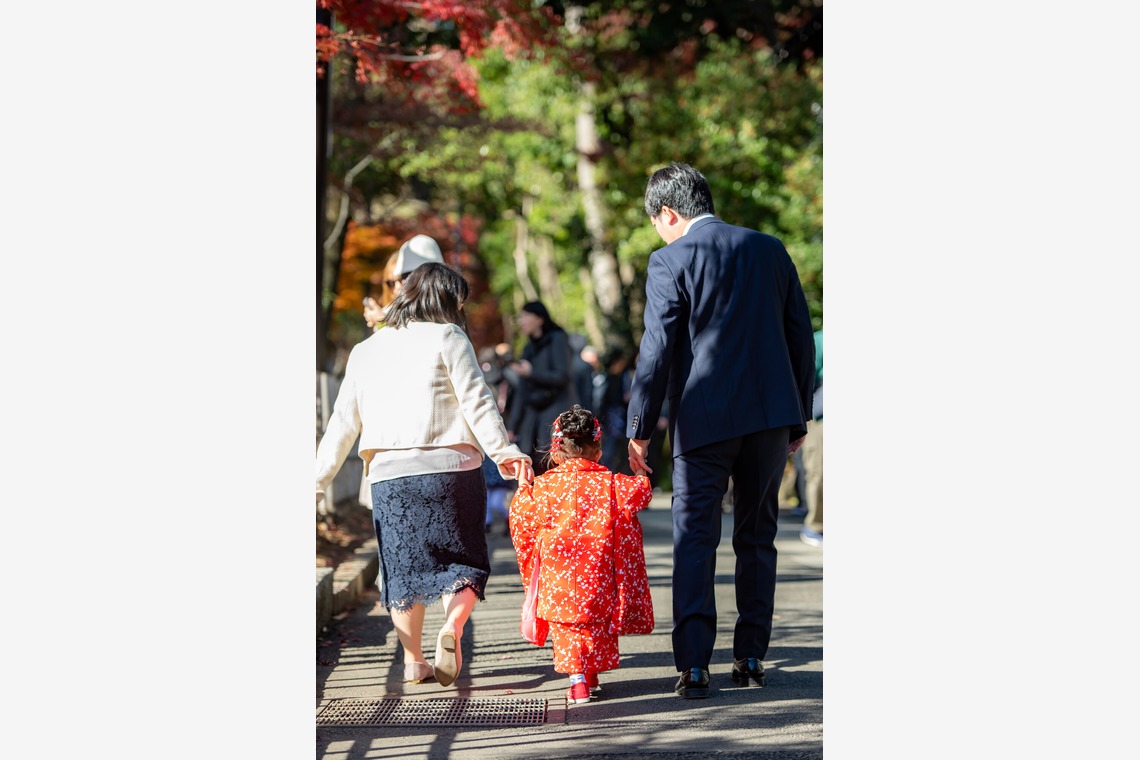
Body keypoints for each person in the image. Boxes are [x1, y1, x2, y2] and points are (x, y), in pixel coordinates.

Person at [625, 162, 815, 699]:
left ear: (669, 212)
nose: (658, 232)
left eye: (656, 221)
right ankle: (752, 655)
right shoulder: (769, 248)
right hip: (769, 418)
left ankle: (694, 665)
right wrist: (795, 416)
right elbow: (798, 335)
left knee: (695, 539)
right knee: (757, 537)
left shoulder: (670, 259)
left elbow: (657, 348)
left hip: (702, 417)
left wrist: (640, 427)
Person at [316, 262, 534, 689]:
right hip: (451, 469)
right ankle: (451, 628)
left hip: (389, 477)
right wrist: (503, 451)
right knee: (465, 562)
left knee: (402, 573)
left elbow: (342, 422)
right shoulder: (448, 337)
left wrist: (317, 481)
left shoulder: (366, 350)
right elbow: (477, 400)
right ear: (445, 300)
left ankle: (413, 661)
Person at [508, 404, 655, 705]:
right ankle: (590, 674)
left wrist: (523, 486)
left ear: (557, 451)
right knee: (595, 625)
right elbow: (641, 494)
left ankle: (578, 682)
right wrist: (640, 470)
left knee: (567, 629)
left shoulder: (545, 486)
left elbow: (522, 514)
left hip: (558, 578)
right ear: (598, 451)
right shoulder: (611, 483)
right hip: (599, 575)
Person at [505, 301, 575, 477]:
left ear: (539, 319)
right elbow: (522, 390)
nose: (520, 321)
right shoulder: (528, 348)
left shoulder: (558, 338)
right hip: (532, 415)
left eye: (524, 316)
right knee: (531, 462)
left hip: (555, 411)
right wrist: (511, 426)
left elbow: (563, 376)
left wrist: (532, 372)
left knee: (553, 462)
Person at [362, 233, 445, 331]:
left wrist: (382, 322)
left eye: (404, 278)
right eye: (391, 283)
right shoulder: (388, 311)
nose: (398, 286)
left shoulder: (438, 311)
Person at [799, 329, 823, 547]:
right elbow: (808, 375)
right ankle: (814, 526)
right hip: (820, 419)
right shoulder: (820, 339)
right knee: (818, 473)